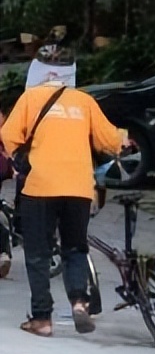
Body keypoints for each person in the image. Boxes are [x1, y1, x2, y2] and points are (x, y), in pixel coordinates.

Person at [1, 75, 128, 336]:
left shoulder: (30, 98)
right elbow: (109, 140)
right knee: (75, 248)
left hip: (40, 186)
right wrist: (123, 141)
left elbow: (9, 135)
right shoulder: (84, 101)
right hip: (79, 187)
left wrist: (20, 157)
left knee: (38, 253)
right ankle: (79, 302)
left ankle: (42, 319)